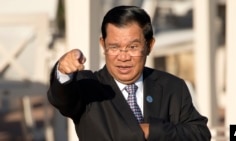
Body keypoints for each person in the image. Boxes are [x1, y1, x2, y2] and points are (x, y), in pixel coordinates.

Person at [47, 5, 211, 141]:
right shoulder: (88, 86)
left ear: (149, 45)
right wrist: (63, 72)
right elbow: (61, 98)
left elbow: (200, 134)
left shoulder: (172, 87)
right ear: (103, 45)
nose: (123, 57)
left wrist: (152, 131)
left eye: (132, 47)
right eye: (114, 47)